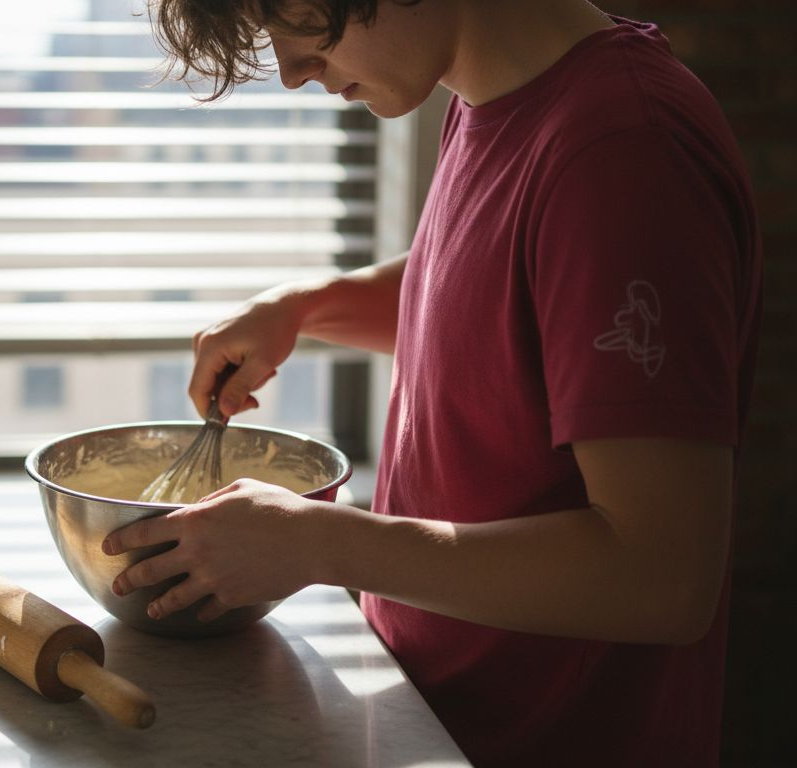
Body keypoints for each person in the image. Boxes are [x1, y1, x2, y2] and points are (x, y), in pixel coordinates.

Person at [102, 1, 763, 765]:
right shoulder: (494, 96)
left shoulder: (623, 154)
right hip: (439, 723)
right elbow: (499, 292)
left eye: (299, 22)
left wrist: (318, 543)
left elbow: (661, 575)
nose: (291, 73)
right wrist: (306, 308)